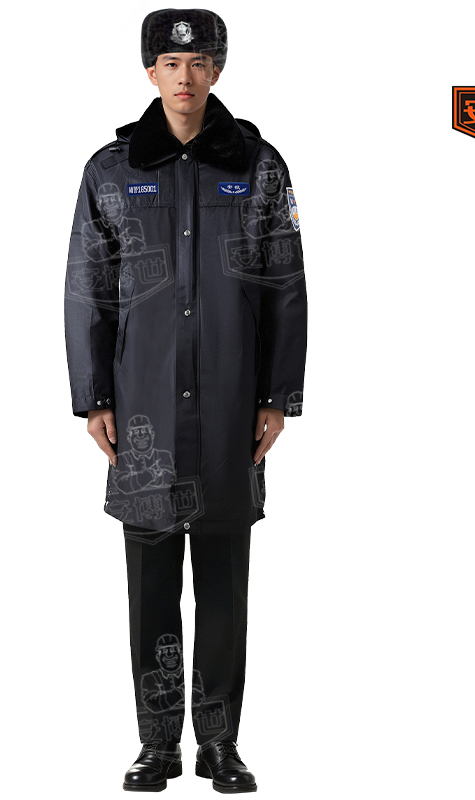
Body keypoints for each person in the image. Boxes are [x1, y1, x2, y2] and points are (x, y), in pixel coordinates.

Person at [63, 8, 307, 792]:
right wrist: (93, 397)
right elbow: (87, 289)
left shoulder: (259, 167)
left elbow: (286, 285)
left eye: (200, 62)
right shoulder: (111, 171)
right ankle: (158, 745)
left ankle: (221, 745)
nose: (185, 76)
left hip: (233, 410)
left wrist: (278, 396)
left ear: (217, 70)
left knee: (226, 590)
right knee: (152, 594)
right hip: (144, 416)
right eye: (171, 63)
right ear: (150, 71)